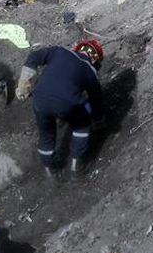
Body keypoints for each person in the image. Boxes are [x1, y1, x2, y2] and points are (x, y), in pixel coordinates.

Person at [16, 39, 104, 175]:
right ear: (95, 59)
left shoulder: (59, 51)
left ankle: (49, 169)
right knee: (82, 125)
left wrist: (23, 81)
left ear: (78, 48)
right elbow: (96, 99)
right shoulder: (90, 70)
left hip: (40, 99)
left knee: (46, 134)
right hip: (67, 103)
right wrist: (98, 120)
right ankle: (76, 166)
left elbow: (34, 56)